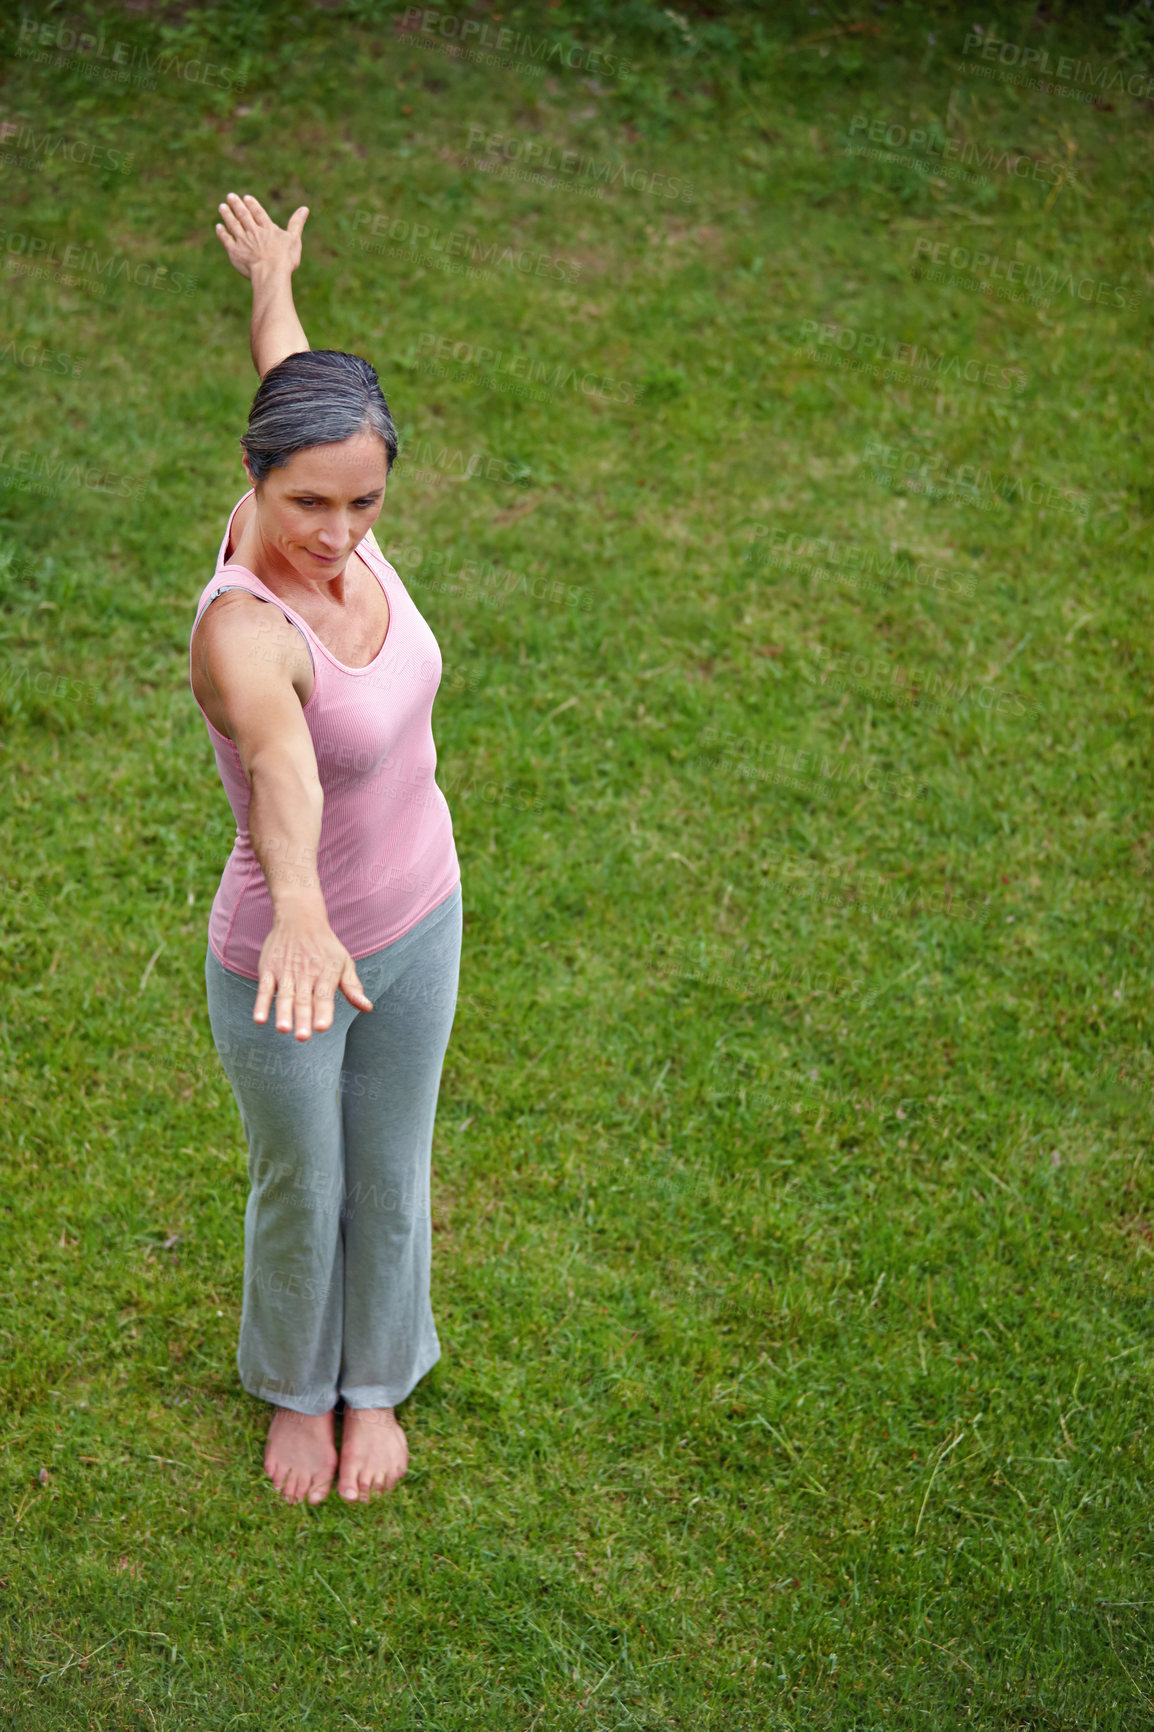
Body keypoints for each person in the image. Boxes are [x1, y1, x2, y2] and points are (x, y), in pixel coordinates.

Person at [188, 191, 463, 1506]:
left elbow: (286, 368)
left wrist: (270, 275)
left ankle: (374, 1383)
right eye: (310, 503)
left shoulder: (321, 467)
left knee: (392, 1173)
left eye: (365, 501)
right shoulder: (245, 629)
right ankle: (298, 1391)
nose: (342, 533)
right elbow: (283, 767)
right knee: (310, 1185)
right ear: (252, 476)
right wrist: (299, 905)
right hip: (287, 959)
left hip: (422, 916)